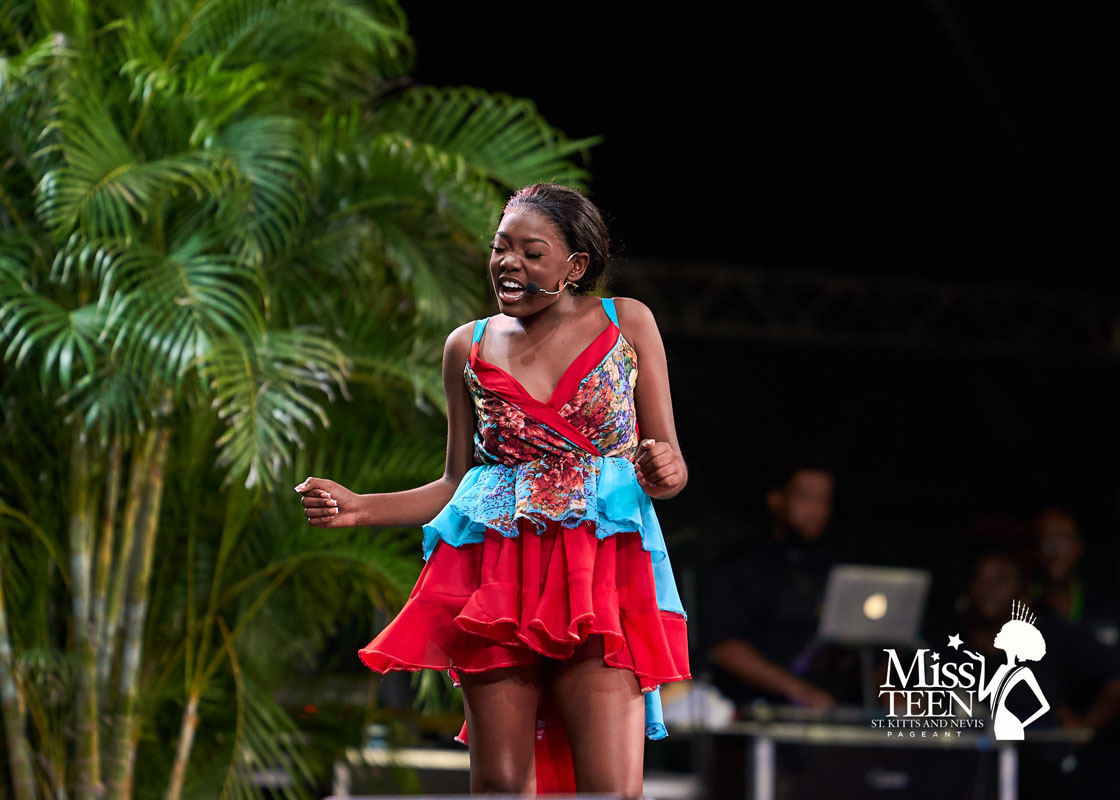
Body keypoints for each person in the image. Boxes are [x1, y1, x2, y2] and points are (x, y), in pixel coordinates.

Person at [294, 183, 691, 797]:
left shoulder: (627, 322)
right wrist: (359, 508)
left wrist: (663, 471)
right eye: (501, 247)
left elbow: (670, 465)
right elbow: (456, 483)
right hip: (498, 580)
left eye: (531, 253)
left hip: (600, 575)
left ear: (574, 266)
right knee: (501, 784)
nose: (508, 263)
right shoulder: (467, 345)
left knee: (609, 787)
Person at [699, 452, 841, 711]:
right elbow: (722, 646)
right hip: (752, 710)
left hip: (832, 709)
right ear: (777, 499)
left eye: (823, 500)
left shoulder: (833, 568)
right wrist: (799, 690)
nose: (816, 510)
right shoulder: (740, 565)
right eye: (805, 497)